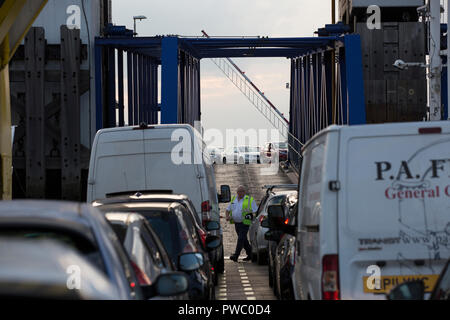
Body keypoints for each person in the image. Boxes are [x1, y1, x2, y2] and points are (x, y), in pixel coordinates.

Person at [226, 185, 258, 262]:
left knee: (240, 239)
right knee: (244, 240)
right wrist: (227, 216)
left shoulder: (249, 199)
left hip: (245, 223)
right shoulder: (234, 199)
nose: (241, 193)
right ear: (237, 192)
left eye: (242, 191)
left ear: (245, 192)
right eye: (239, 191)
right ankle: (251, 254)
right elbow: (227, 209)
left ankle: (236, 255)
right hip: (236, 223)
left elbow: (255, 210)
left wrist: (249, 215)